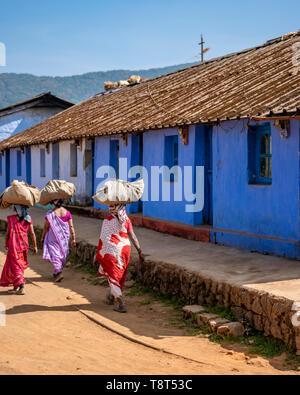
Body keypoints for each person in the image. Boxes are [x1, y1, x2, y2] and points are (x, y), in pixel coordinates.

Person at [95, 204, 144, 313]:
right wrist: (139, 251)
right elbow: (133, 237)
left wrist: (97, 254)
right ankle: (111, 296)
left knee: (112, 275)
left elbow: (103, 239)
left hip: (112, 252)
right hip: (125, 250)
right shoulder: (126, 220)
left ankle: (121, 303)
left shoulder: (107, 221)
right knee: (118, 275)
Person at [0, 205, 38, 295]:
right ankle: (15, 286)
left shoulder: (12, 219)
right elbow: (32, 233)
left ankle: (21, 286)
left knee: (15, 266)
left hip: (14, 246)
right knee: (18, 265)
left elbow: (7, 233)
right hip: (24, 245)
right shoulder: (28, 219)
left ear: (17, 210)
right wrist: (35, 246)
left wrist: (5, 243)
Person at [41, 199, 76, 283]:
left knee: (55, 254)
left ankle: (59, 272)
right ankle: (56, 272)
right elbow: (71, 226)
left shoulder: (51, 214)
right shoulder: (67, 213)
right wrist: (73, 238)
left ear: (53, 203)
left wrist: (42, 237)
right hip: (64, 238)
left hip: (53, 238)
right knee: (61, 253)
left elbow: (46, 227)